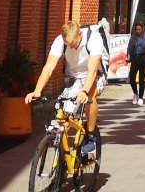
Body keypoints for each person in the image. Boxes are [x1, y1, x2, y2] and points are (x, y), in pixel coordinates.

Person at [26, 19, 107, 157]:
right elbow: (49, 67)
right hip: (75, 76)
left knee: (90, 97)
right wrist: (37, 90)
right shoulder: (60, 41)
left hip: (96, 74)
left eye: (74, 44)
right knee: (64, 112)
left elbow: (92, 69)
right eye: (68, 45)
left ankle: (91, 137)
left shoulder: (93, 38)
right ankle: (62, 160)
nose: (72, 48)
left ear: (80, 35)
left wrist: (85, 91)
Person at [126, 21, 145, 106]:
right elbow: (129, 49)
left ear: (142, 29)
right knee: (132, 77)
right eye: (136, 29)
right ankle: (135, 93)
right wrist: (133, 46)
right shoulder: (133, 37)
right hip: (135, 58)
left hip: (143, 58)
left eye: (139, 29)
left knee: (142, 79)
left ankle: (141, 98)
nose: (138, 31)